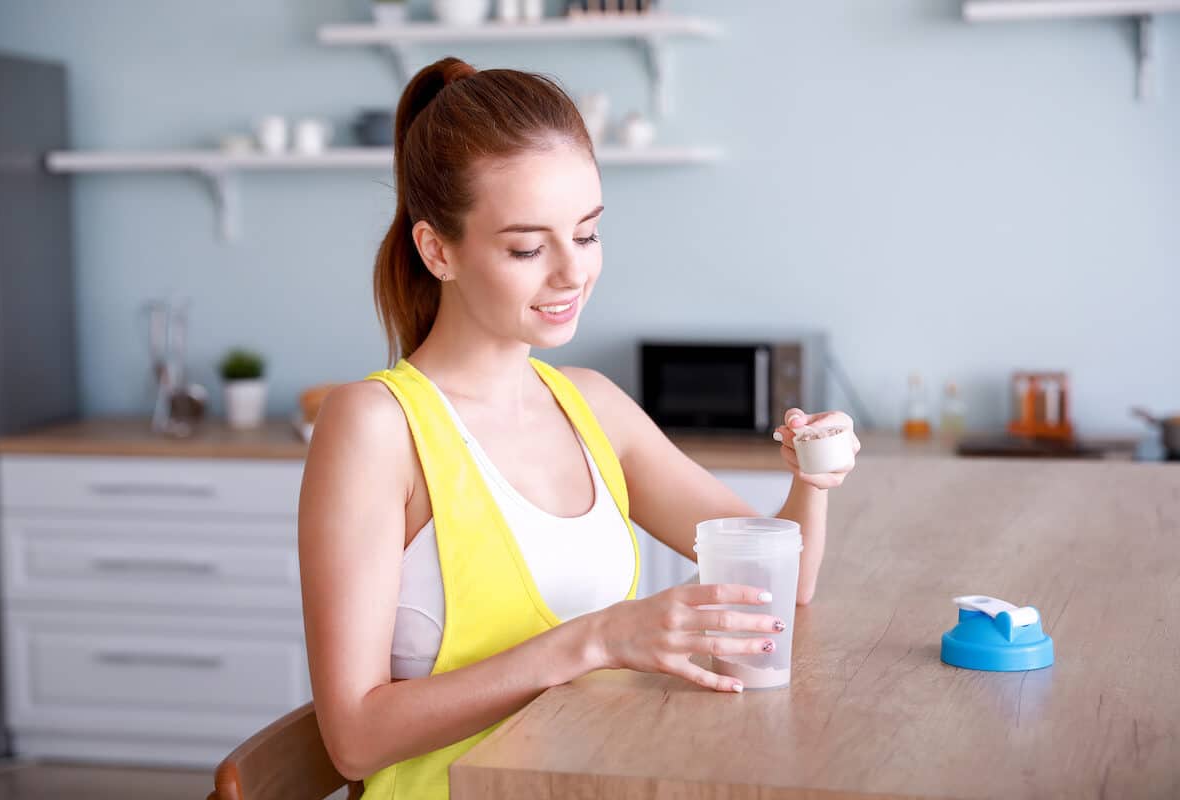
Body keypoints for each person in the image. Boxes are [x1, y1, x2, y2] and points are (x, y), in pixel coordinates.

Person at [297, 56, 860, 800]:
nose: (572, 273)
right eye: (528, 248)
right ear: (438, 250)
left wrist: (810, 482)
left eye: (587, 234)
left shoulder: (590, 403)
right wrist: (595, 640)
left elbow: (776, 593)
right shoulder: (374, 426)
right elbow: (354, 740)